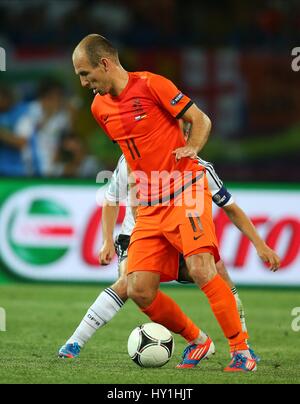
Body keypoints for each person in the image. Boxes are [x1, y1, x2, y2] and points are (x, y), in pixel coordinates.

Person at [70, 34, 280, 372]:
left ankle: (243, 352)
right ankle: (199, 340)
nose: (83, 83)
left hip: (185, 190)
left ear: (105, 64)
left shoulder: (153, 85)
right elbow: (134, 154)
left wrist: (192, 147)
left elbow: (201, 120)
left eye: (85, 74)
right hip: (150, 205)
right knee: (138, 289)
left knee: (200, 267)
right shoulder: (99, 108)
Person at [59, 154, 280, 363]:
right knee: (129, 284)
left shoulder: (199, 167)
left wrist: (260, 244)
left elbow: (231, 207)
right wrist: (107, 240)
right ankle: (75, 341)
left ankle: (243, 346)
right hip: (136, 234)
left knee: (218, 271)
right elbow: (111, 199)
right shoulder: (130, 158)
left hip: (178, 234)